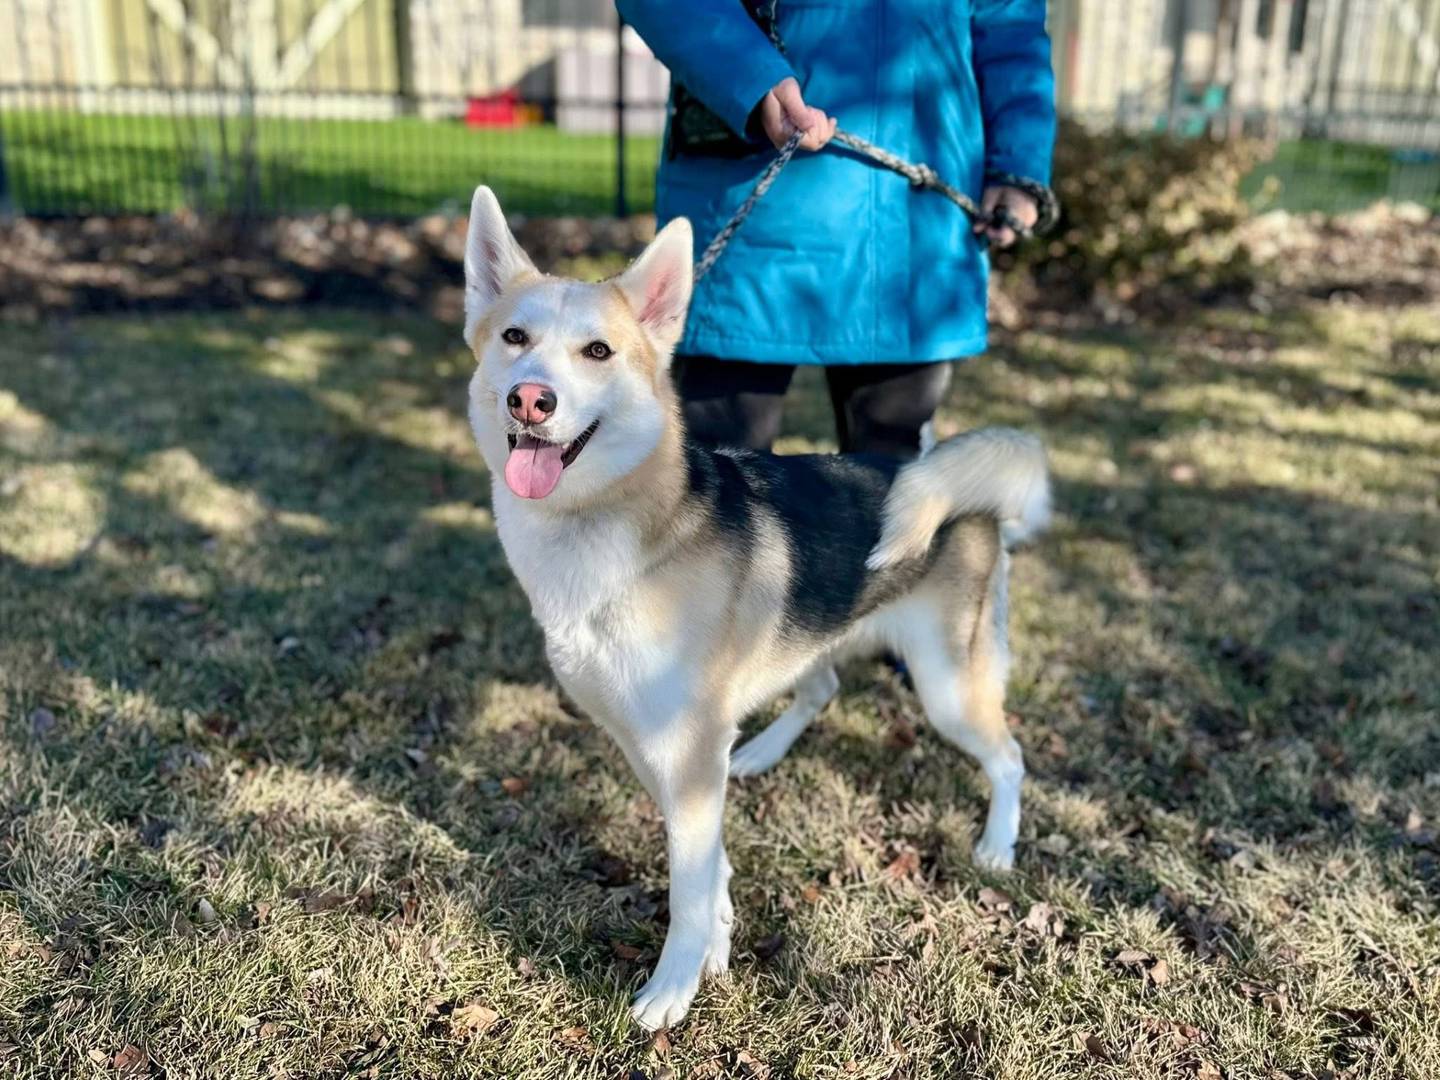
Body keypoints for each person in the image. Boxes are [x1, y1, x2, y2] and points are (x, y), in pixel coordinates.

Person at [616, 0, 1058, 458]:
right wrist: (751, 78)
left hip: (916, 220)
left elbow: (1010, 23)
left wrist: (1017, 162)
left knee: (894, 483)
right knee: (719, 474)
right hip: (749, 196)